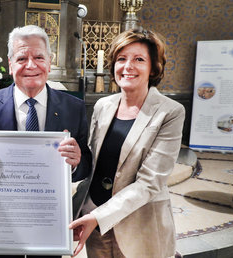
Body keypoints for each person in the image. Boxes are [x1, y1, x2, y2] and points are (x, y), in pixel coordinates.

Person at [0, 25, 92, 257]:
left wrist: (76, 161)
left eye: (39, 57)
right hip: (1, 224)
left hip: (49, 224)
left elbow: (86, 167)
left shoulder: (73, 107)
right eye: (22, 58)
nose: (31, 65)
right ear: (11, 64)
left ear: (49, 62)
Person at [70, 28, 185, 258]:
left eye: (139, 59)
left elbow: (150, 183)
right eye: (121, 59)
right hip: (95, 223)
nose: (128, 66)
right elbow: (93, 165)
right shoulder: (103, 106)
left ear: (153, 67)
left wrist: (99, 217)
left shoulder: (170, 112)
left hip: (140, 225)